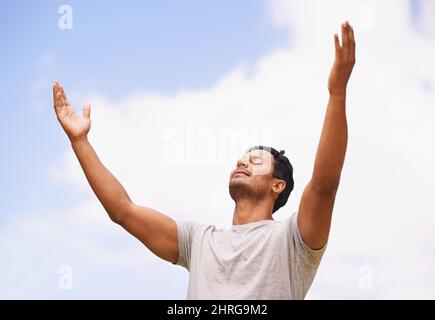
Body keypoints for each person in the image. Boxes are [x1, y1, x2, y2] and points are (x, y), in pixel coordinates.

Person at [52, 21, 355, 299]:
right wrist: (80, 142)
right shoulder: (198, 240)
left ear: (278, 185)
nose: (242, 162)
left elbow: (324, 185)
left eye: (256, 160)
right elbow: (122, 210)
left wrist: (337, 93)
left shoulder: (293, 240)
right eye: (242, 158)